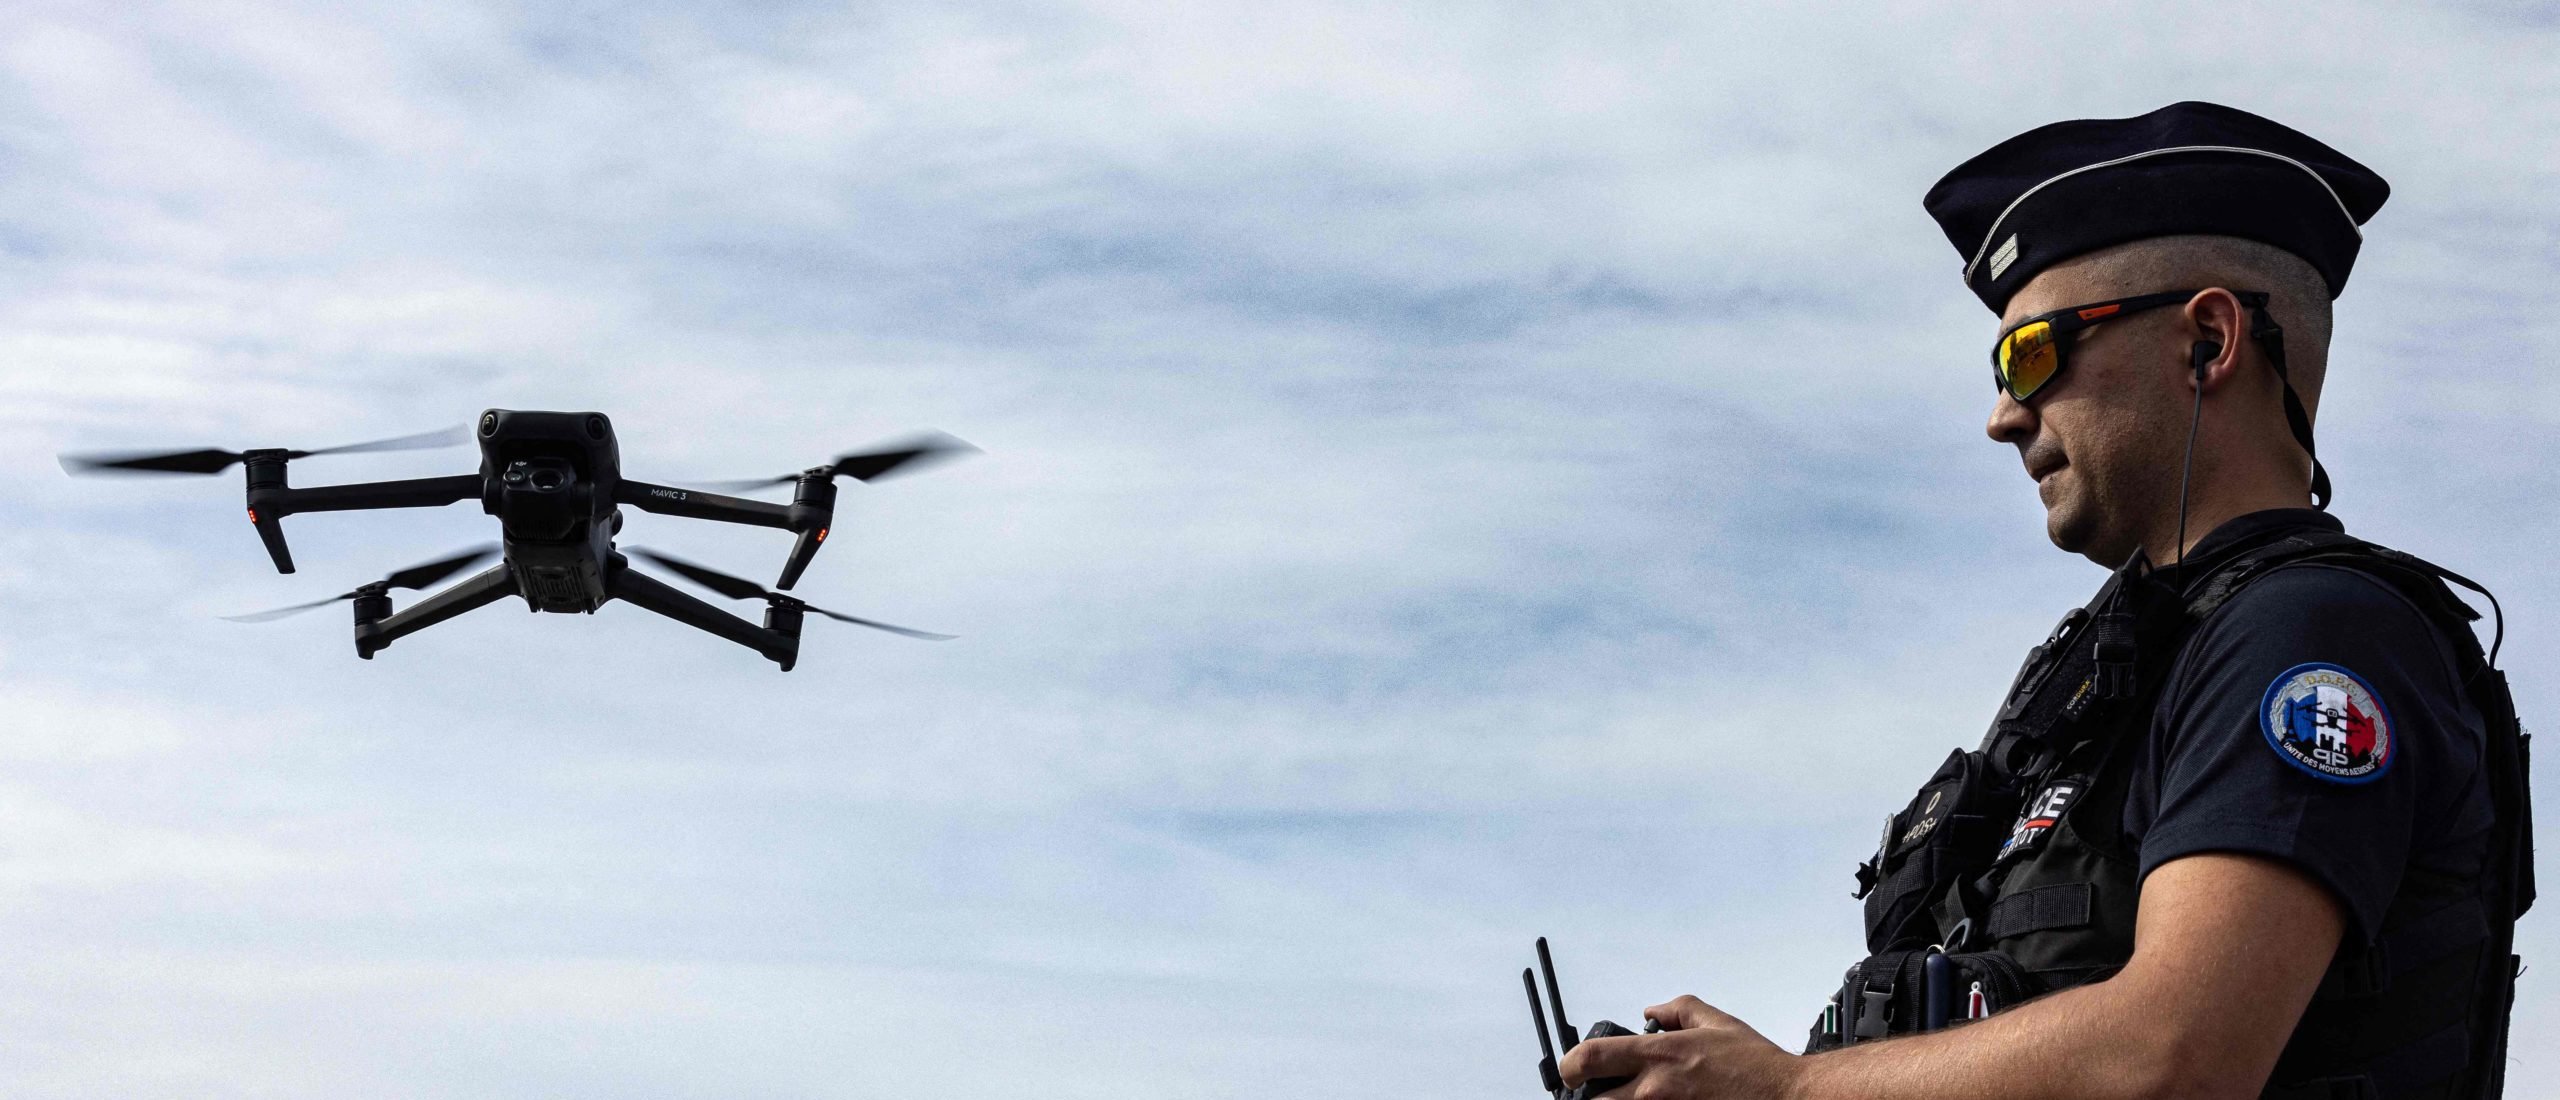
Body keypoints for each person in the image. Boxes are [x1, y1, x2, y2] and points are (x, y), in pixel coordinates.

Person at [1556, 102, 2532, 1100]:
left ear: (2207, 341)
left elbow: (2176, 1055)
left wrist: (1786, 1090)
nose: (2001, 414)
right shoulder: (2101, 681)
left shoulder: (2309, 635)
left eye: (2029, 355)